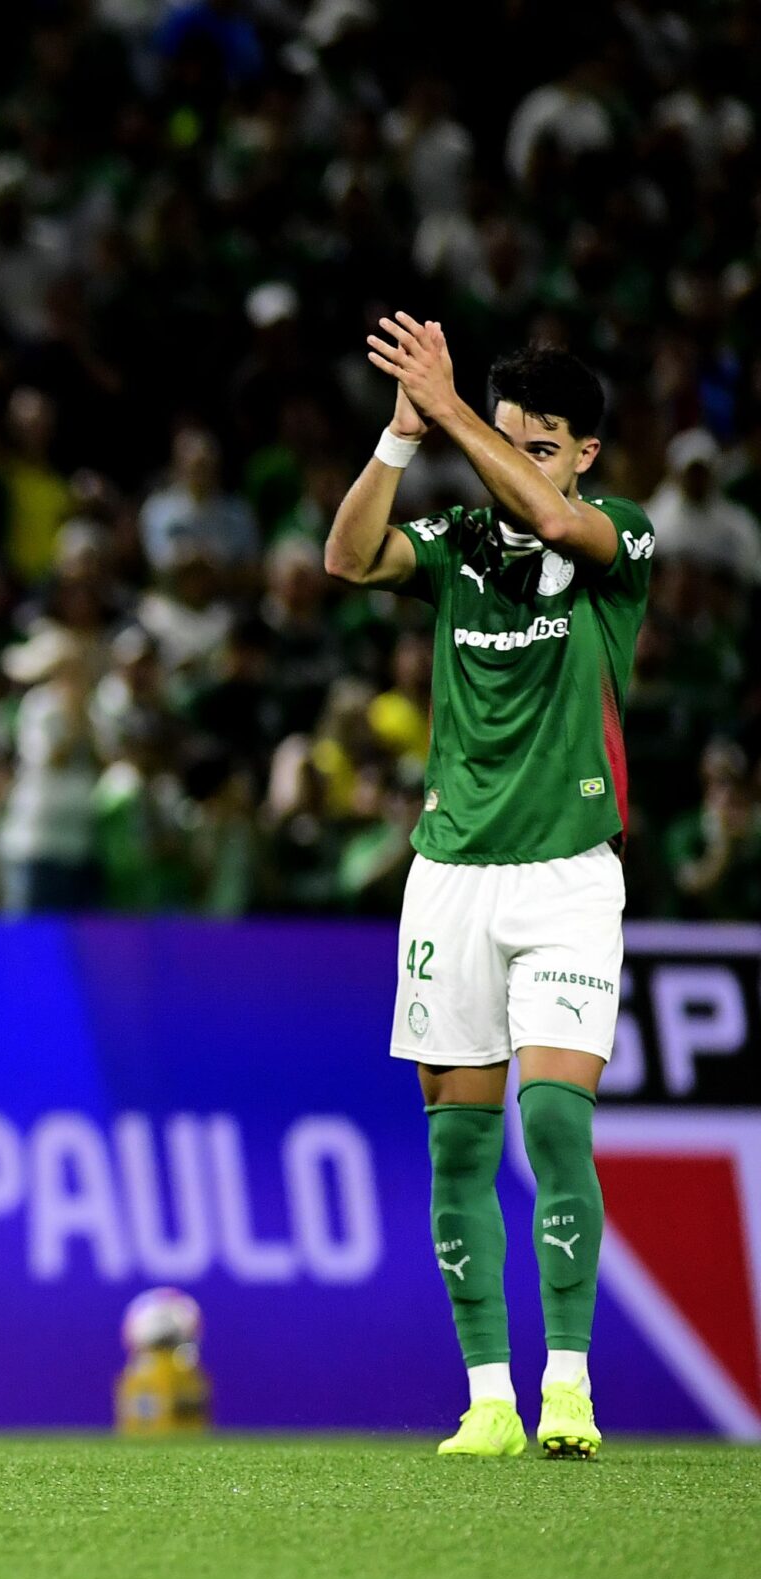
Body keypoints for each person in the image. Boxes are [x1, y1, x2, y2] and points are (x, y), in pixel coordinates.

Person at [325, 325, 652, 1460]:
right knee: (457, 1149)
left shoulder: (621, 538)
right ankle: (489, 1401)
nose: (513, 463)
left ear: (584, 455)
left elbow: (559, 524)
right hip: (451, 879)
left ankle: (569, 1386)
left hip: (567, 876)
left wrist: (456, 409)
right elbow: (346, 560)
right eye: (506, 441)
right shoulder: (459, 543)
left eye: (539, 445)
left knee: (555, 1122)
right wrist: (401, 436)